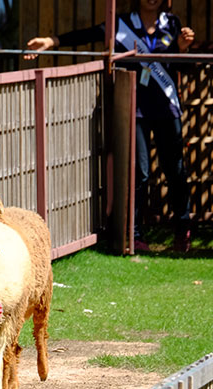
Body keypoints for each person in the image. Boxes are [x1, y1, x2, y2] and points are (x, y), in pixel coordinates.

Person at [26, 0, 195, 252]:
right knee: (139, 173)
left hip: (167, 109)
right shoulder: (122, 23)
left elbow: (182, 68)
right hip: (135, 109)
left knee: (175, 171)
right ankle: (135, 234)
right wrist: (51, 41)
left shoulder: (172, 24)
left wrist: (182, 50)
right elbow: (89, 34)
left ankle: (183, 231)